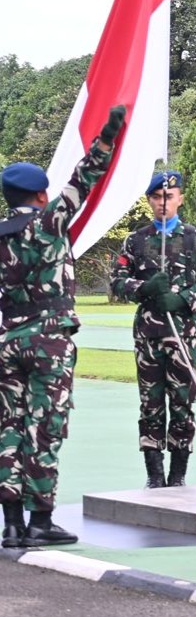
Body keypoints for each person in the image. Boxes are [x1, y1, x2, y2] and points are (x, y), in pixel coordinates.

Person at [0, 105, 123, 549]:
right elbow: (84, 180)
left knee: (9, 428)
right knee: (45, 426)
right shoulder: (50, 222)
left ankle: (10, 523)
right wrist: (106, 139)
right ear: (38, 195)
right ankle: (40, 520)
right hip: (48, 340)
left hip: (6, 339)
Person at [109, 171, 196, 488]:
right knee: (150, 402)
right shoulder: (135, 240)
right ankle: (154, 473)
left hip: (183, 332)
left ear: (180, 199)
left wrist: (186, 298)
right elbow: (116, 281)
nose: (163, 203)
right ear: (149, 200)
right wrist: (144, 288)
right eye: (157, 197)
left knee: (183, 402)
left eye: (169, 197)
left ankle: (178, 473)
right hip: (148, 332)